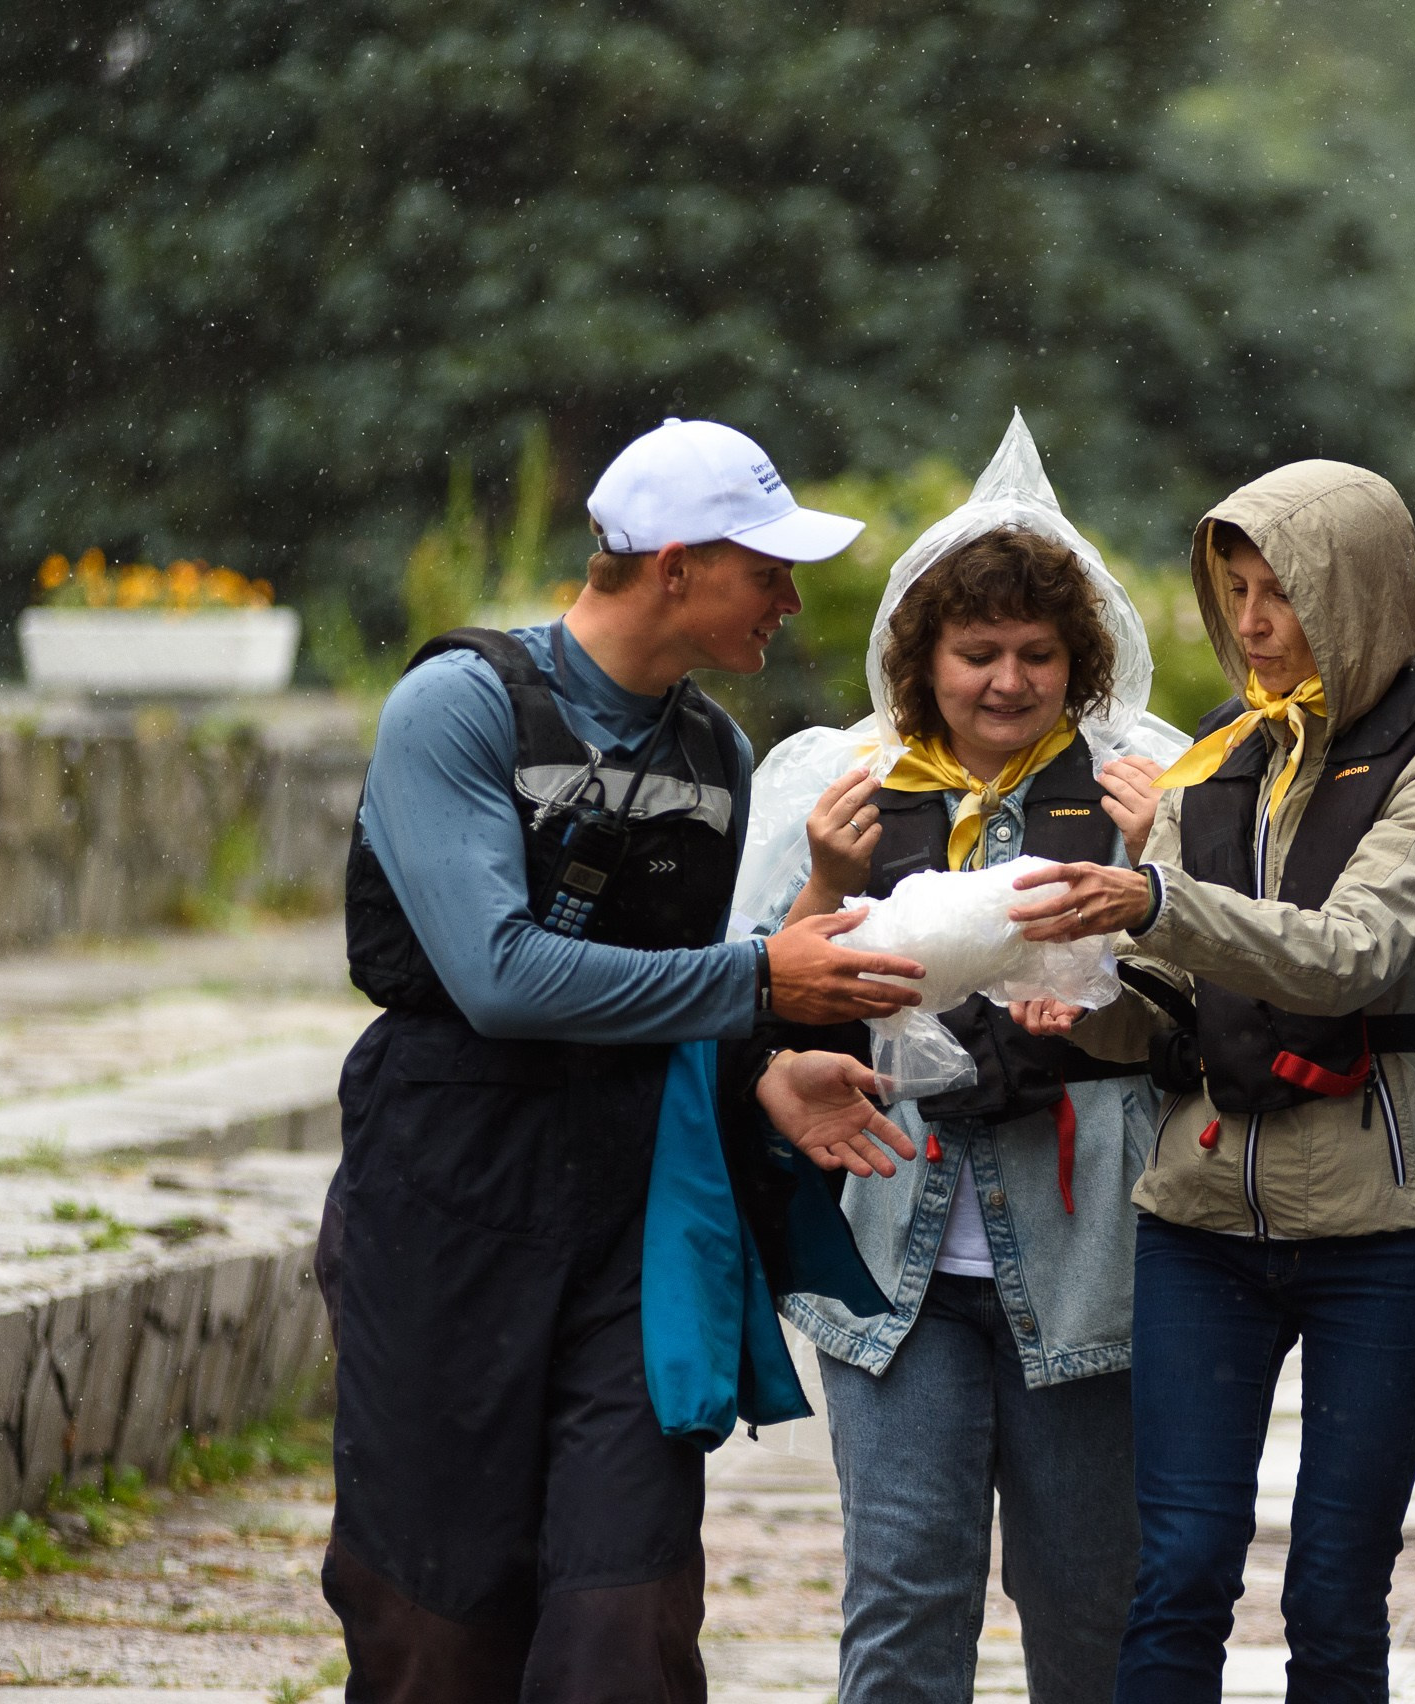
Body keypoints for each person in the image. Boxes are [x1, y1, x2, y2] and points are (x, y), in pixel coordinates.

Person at [324, 417, 928, 1701]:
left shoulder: (716, 754)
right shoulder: (458, 705)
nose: (788, 596)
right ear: (673, 564)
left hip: (631, 1219)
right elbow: (500, 979)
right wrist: (762, 983)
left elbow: (660, 1002)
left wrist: (761, 1070)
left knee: (628, 1631)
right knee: (436, 1623)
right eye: (764, 565)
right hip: (444, 1200)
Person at [1007, 460, 1415, 1704]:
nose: (1254, 623)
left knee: (1334, 1589)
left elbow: (1351, 957)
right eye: (1233, 590)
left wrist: (1157, 897)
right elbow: (1174, 1007)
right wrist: (1080, 1010)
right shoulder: (1214, 762)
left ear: (1362, 594)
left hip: (1384, 1227)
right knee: (1172, 1574)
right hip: (1201, 1222)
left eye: (1285, 592)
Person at [729, 412, 1187, 1704]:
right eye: (976, 651)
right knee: (905, 1589)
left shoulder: (1137, 787)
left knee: (1093, 1597)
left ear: (1080, 661)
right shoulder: (838, 790)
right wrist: (825, 879)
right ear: (916, 657)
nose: (1006, 680)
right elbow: (757, 989)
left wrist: (1151, 888)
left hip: (1091, 1255)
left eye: (1037, 654)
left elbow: (1209, 995)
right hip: (890, 1259)